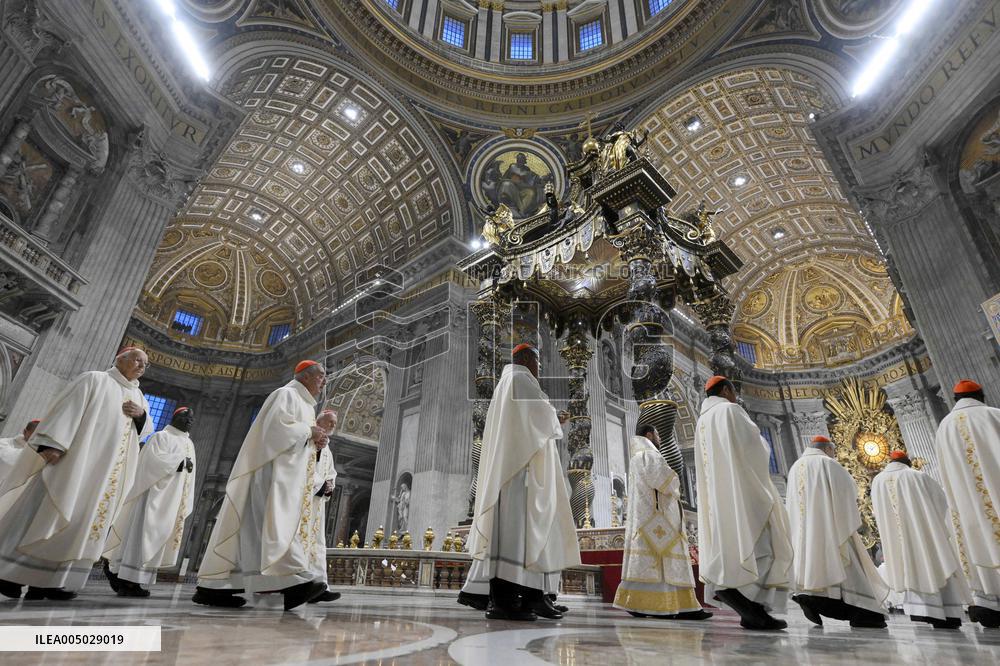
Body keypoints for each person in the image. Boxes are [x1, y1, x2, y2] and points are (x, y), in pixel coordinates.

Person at [0, 348, 153, 600]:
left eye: (145, 364)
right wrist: (52, 443)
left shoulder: (140, 398)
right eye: (137, 360)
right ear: (120, 359)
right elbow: (66, 410)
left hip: (104, 475)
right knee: (48, 513)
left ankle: (50, 582)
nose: (141, 366)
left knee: (79, 524)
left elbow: (145, 431)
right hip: (74, 463)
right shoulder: (95, 379)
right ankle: (9, 574)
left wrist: (142, 416)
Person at [193, 360, 333, 611]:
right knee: (271, 526)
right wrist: (309, 433)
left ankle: (214, 588)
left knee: (256, 530)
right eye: (321, 375)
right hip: (271, 476)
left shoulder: (305, 405)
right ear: (305, 376)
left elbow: (297, 437)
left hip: (287, 478)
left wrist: (315, 440)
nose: (324, 381)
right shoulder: (286, 394)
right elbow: (275, 431)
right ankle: (294, 585)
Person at [459, 343, 580, 621]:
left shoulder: (508, 382)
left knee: (524, 536)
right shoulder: (519, 379)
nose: (540, 368)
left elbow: (530, 420)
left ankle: (530, 598)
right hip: (519, 475)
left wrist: (550, 417)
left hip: (516, 470)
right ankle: (508, 602)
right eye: (538, 362)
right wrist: (555, 416)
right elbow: (538, 415)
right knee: (519, 536)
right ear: (526, 357)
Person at [694, 375, 792, 630]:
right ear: (726, 390)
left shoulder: (702, 421)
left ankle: (750, 609)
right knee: (763, 543)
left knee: (731, 544)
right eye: (734, 392)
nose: (735, 397)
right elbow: (756, 447)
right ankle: (743, 599)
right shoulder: (730, 410)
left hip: (718, 496)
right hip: (741, 491)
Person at [786, 436, 889, 628]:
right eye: (833, 451)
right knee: (849, 570)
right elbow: (849, 491)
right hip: (831, 529)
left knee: (812, 568)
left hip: (804, 534)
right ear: (827, 448)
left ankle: (808, 596)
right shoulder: (827, 463)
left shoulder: (795, 468)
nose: (833, 455)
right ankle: (864, 613)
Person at [613, 423, 711, 620]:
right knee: (663, 563)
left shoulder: (637, 457)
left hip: (648, 519)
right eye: (657, 435)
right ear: (649, 435)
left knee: (652, 564)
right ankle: (665, 607)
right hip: (659, 520)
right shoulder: (649, 455)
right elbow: (664, 481)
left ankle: (660, 605)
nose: (659, 439)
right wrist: (675, 478)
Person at [871, 450, 972, 629]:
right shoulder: (917, 476)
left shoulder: (877, 482)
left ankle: (921, 611)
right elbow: (941, 503)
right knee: (934, 567)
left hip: (898, 542)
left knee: (909, 569)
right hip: (925, 537)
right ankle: (946, 614)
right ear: (907, 462)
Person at [103, 406, 197, 597]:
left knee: (157, 538)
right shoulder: (161, 437)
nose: (189, 420)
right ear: (174, 417)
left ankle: (135, 581)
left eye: (191, 419)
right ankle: (125, 579)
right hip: (152, 498)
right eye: (185, 417)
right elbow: (150, 463)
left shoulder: (189, 443)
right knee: (141, 535)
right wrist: (180, 463)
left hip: (171, 500)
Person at [934, 379, 1000, 629]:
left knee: (977, 543)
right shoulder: (993, 415)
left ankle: (989, 606)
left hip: (965, 505)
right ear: (981, 394)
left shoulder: (944, 428)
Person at [306, 410, 340, 605]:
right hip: (304, 501)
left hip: (317, 504)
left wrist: (329, 485)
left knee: (318, 544)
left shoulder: (327, 449)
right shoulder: (310, 440)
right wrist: (320, 485)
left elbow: (331, 473)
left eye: (335, 423)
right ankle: (304, 585)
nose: (333, 425)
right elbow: (304, 466)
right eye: (330, 422)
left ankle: (320, 586)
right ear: (319, 422)